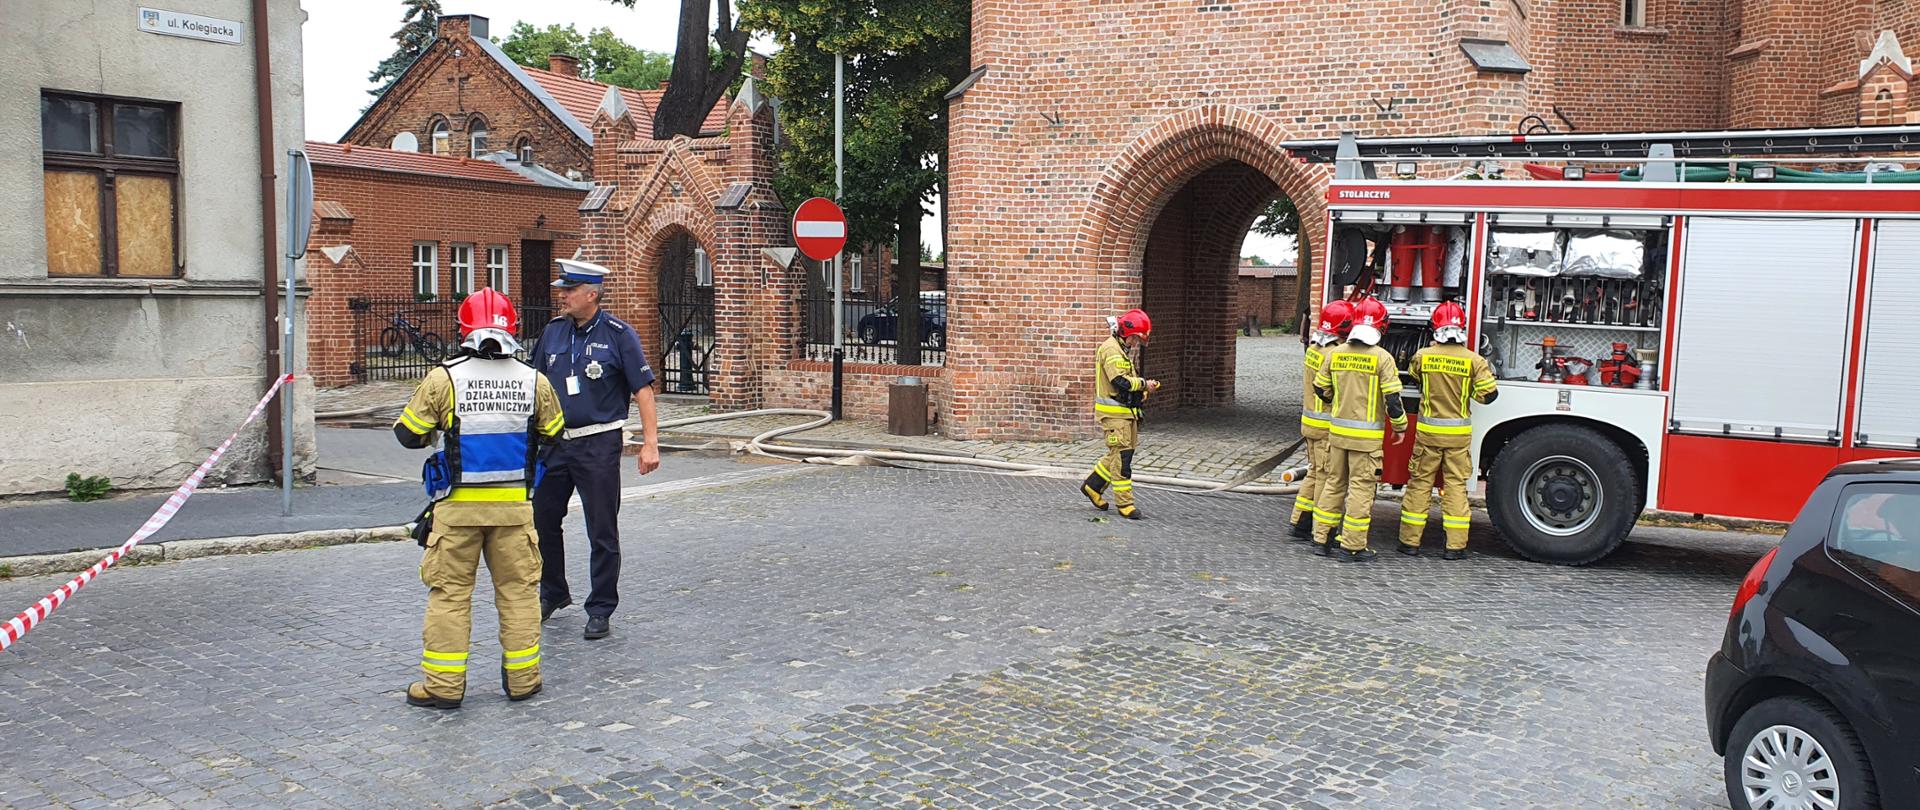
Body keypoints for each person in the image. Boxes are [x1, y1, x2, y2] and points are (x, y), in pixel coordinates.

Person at [393, 289, 566, 709]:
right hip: (515, 512)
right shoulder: (534, 380)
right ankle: (524, 680)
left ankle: (443, 688)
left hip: (456, 512)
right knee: (520, 593)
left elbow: (407, 434)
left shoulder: (444, 378)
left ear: (463, 329)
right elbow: (556, 436)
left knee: (450, 595)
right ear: (513, 328)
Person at [531, 259, 662, 641]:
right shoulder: (553, 333)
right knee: (542, 521)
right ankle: (553, 590)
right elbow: (534, 383)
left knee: (601, 528)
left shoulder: (619, 335)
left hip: (598, 444)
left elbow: (643, 391)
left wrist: (650, 443)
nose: (562, 296)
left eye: (569, 290)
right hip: (554, 444)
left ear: (591, 294)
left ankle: (601, 606)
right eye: (562, 289)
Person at [1310, 296, 1408, 562]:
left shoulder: (1335, 353)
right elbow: (1393, 401)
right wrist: (1400, 427)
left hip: (1337, 436)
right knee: (1361, 490)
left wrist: (1337, 404)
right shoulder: (1382, 358)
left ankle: (1321, 539)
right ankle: (1352, 546)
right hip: (1366, 443)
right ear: (1381, 326)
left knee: (1333, 484)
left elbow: (1320, 388)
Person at [1398, 301, 1498, 559]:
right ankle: (1455, 546)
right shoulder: (1473, 360)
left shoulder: (1423, 356)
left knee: (1420, 484)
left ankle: (1410, 543)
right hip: (1458, 436)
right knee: (1455, 486)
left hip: (1428, 433)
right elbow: (1489, 396)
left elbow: (1414, 377)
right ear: (1461, 327)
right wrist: (1470, 392)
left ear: (1435, 328)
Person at [1081, 309, 1160, 520]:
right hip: (1114, 415)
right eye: (1136, 338)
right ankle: (1125, 504)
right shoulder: (1111, 350)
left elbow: (1125, 383)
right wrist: (1145, 384)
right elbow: (1121, 382)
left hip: (1125, 413)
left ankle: (1093, 486)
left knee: (1120, 453)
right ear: (1127, 333)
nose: (1136, 343)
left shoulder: (1120, 348)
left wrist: (1140, 393)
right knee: (1122, 459)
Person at [1291, 299, 1354, 541]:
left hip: (1310, 421)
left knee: (1314, 473)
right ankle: (1321, 529)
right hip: (1327, 425)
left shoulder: (1314, 348)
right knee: (1327, 478)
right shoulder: (1334, 353)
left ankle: (1300, 522)